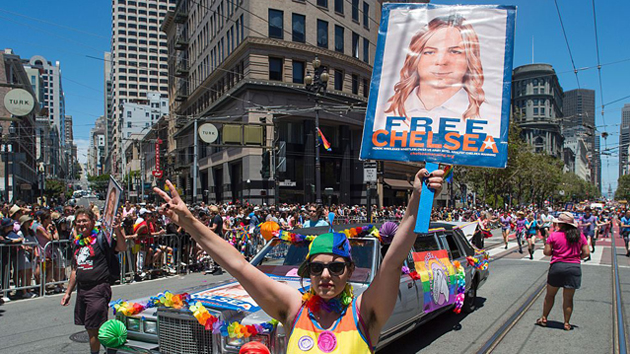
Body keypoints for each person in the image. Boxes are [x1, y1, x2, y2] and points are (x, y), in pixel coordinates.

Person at [154, 169, 444, 353]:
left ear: (349, 271)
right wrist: (190, 223)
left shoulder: (364, 312)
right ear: (308, 272)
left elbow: (392, 261)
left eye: (336, 267)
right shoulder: (294, 308)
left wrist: (417, 200)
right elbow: (239, 265)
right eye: (316, 268)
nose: (326, 275)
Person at [384, 14, 485, 127]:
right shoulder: (387, 110)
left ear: (469, 58)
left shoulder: (486, 114)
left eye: (455, 52)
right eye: (430, 52)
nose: (441, 61)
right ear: (415, 58)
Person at [61, 207, 126, 354]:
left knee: (92, 328)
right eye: (78, 221)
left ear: (93, 221)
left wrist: (117, 230)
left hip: (98, 289)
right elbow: (74, 269)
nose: (81, 224)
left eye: (85, 220)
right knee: (98, 326)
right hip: (82, 290)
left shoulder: (102, 238)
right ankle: (112, 348)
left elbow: (122, 247)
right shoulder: (78, 242)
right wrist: (68, 292)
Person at [537, 212, 589, 331]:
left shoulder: (554, 236)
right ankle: (566, 323)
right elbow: (586, 253)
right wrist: (576, 258)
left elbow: (547, 252)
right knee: (568, 298)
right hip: (573, 268)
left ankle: (544, 318)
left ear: (560, 224)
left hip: (557, 267)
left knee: (550, 295)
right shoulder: (580, 236)